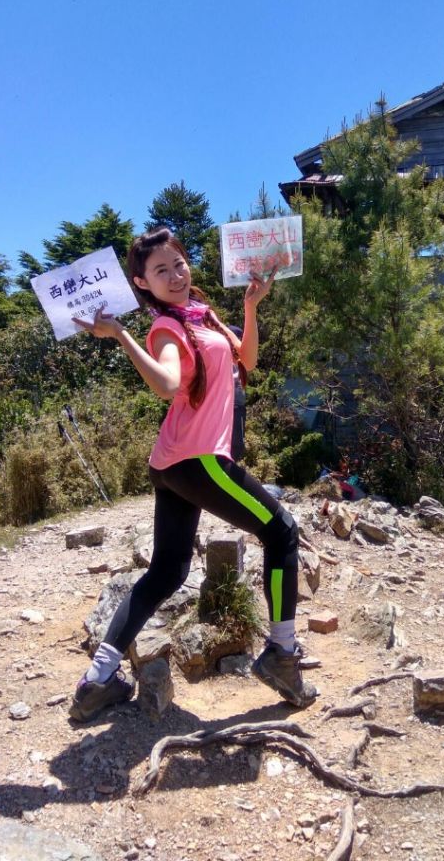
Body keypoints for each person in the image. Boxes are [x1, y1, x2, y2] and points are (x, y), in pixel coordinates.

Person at [68, 227, 316, 721]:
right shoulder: (166, 328)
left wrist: (251, 305)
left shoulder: (201, 315)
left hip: (174, 461)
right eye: (161, 270)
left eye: (179, 263)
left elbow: (248, 360)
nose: (176, 274)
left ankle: (97, 680)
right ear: (142, 282)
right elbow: (166, 383)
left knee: (167, 570)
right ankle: (281, 655)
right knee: (282, 531)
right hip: (198, 460)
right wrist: (118, 333)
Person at [228, 324, 247, 462]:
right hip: (232, 405)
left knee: (236, 445)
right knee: (235, 446)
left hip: (238, 405)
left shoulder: (239, 361)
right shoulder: (227, 358)